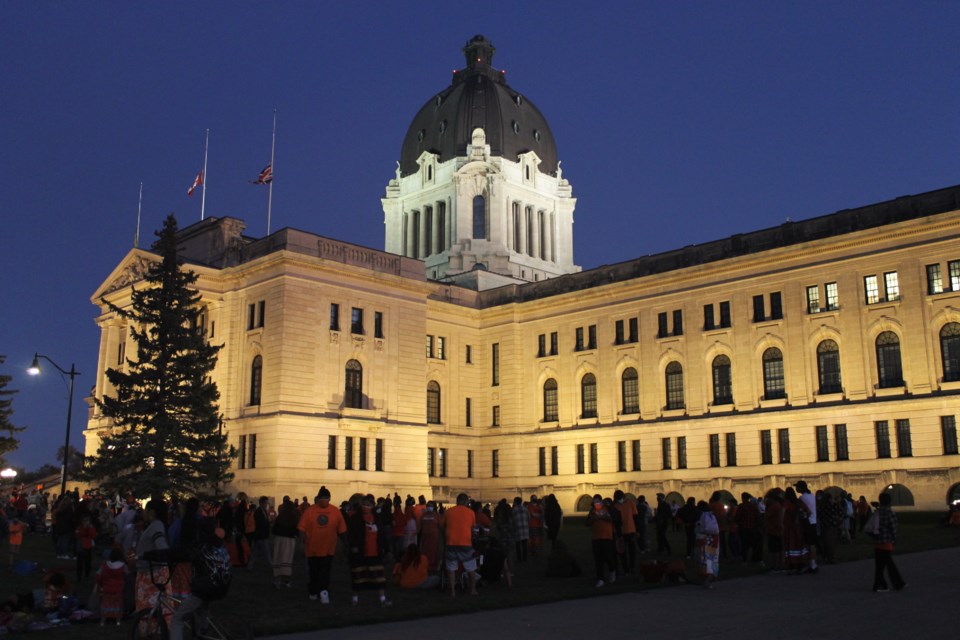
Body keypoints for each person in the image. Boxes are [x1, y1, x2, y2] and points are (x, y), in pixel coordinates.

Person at [169, 518, 232, 640]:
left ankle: (202, 630)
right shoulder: (218, 545)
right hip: (221, 585)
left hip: (204, 588)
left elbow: (184, 555)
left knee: (177, 618)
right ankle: (203, 630)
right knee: (201, 610)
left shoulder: (200, 546)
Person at [298, 486, 347, 604]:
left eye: (326, 498)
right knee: (314, 571)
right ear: (318, 499)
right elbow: (301, 529)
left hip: (328, 549)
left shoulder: (335, 511)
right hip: (312, 548)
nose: (324, 501)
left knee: (324, 572)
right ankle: (313, 591)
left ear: (329, 499)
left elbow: (342, 530)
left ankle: (323, 592)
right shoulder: (310, 511)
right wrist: (302, 544)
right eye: (322, 498)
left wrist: (345, 545)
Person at [345, 495, 391, 607]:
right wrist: (353, 546)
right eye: (364, 505)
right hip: (361, 553)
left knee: (379, 578)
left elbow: (382, 536)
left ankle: (382, 599)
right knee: (358, 577)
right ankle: (355, 599)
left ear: (372, 506)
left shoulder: (377, 518)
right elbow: (351, 535)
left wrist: (387, 549)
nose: (366, 507)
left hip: (375, 552)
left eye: (368, 505)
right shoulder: (355, 519)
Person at [135, 499, 169, 614]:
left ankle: (154, 629)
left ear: (152, 512)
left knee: (151, 608)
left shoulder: (156, 526)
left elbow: (161, 546)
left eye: (146, 510)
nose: (143, 513)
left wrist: (147, 556)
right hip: (150, 571)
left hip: (152, 574)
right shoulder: (155, 525)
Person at [441, 493, 478, 596]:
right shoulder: (470, 513)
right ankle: (473, 590)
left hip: (451, 542)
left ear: (457, 501)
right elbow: (473, 529)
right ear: (466, 502)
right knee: (471, 567)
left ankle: (452, 591)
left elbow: (442, 526)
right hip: (465, 543)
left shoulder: (448, 512)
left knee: (451, 568)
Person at [872, 492, 906, 592]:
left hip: (877, 542)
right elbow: (893, 528)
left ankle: (882, 584)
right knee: (888, 564)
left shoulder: (877, 513)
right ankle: (894, 584)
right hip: (886, 542)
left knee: (880, 565)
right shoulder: (890, 513)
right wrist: (894, 539)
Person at [587, 494, 616, 587]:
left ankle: (612, 570)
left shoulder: (608, 508)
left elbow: (615, 519)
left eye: (598, 502)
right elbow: (587, 522)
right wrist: (593, 519)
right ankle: (600, 578)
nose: (596, 504)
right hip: (596, 537)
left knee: (608, 556)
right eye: (595, 502)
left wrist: (604, 517)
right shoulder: (592, 510)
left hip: (607, 536)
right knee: (598, 559)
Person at [272, 496, 299, 588]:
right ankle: (287, 581)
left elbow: (274, 529)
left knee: (278, 558)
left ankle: (277, 580)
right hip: (289, 540)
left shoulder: (280, 516)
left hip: (279, 539)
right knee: (287, 559)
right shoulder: (294, 517)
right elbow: (296, 530)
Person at [95, 547, 126, 626]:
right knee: (118, 604)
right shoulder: (123, 566)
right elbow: (128, 575)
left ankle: (103, 620)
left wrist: (100, 583)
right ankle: (118, 620)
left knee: (105, 604)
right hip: (119, 589)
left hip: (107, 589)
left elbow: (98, 576)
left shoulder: (105, 565)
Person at [795, 480, 819, 573]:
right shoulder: (812, 495)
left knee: (809, 544)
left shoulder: (802, 498)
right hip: (814, 521)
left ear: (801, 488)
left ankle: (811, 564)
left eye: (797, 487)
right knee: (812, 544)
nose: (796, 488)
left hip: (807, 522)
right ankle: (813, 563)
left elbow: (802, 511)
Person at [696, 501, 719, 588]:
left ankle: (706, 579)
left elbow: (703, 528)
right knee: (712, 559)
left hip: (706, 539)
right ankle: (712, 577)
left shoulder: (703, 516)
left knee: (705, 559)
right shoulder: (712, 515)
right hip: (714, 540)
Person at [248, 496, 273, 570]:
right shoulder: (259, 511)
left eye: (267, 503)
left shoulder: (263, 510)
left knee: (255, 552)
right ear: (261, 503)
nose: (266, 504)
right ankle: (271, 565)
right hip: (261, 534)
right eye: (265, 503)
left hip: (261, 534)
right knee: (267, 551)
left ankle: (250, 566)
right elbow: (259, 523)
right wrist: (267, 523)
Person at [418, 500, 441, 573]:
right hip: (425, 537)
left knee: (433, 551)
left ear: (434, 507)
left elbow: (440, 525)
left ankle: (433, 567)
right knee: (425, 551)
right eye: (428, 505)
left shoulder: (437, 515)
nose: (429, 507)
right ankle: (425, 566)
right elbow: (420, 526)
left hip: (434, 537)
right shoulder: (423, 515)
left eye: (430, 506)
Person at [75, 515, 97, 581]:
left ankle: (86, 574)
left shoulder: (90, 528)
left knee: (87, 561)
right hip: (81, 546)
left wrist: (88, 529)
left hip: (87, 546)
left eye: (87, 521)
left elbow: (93, 535)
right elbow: (78, 535)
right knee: (80, 563)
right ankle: (79, 576)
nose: (86, 522)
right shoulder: (79, 528)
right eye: (84, 521)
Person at [511, 496, 530, 564]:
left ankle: (519, 559)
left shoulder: (514, 510)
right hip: (525, 528)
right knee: (525, 545)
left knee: (518, 545)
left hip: (517, 529)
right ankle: (525, 558)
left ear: (515, 502)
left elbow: (512, 519)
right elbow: (529, 518)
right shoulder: (525, 509)